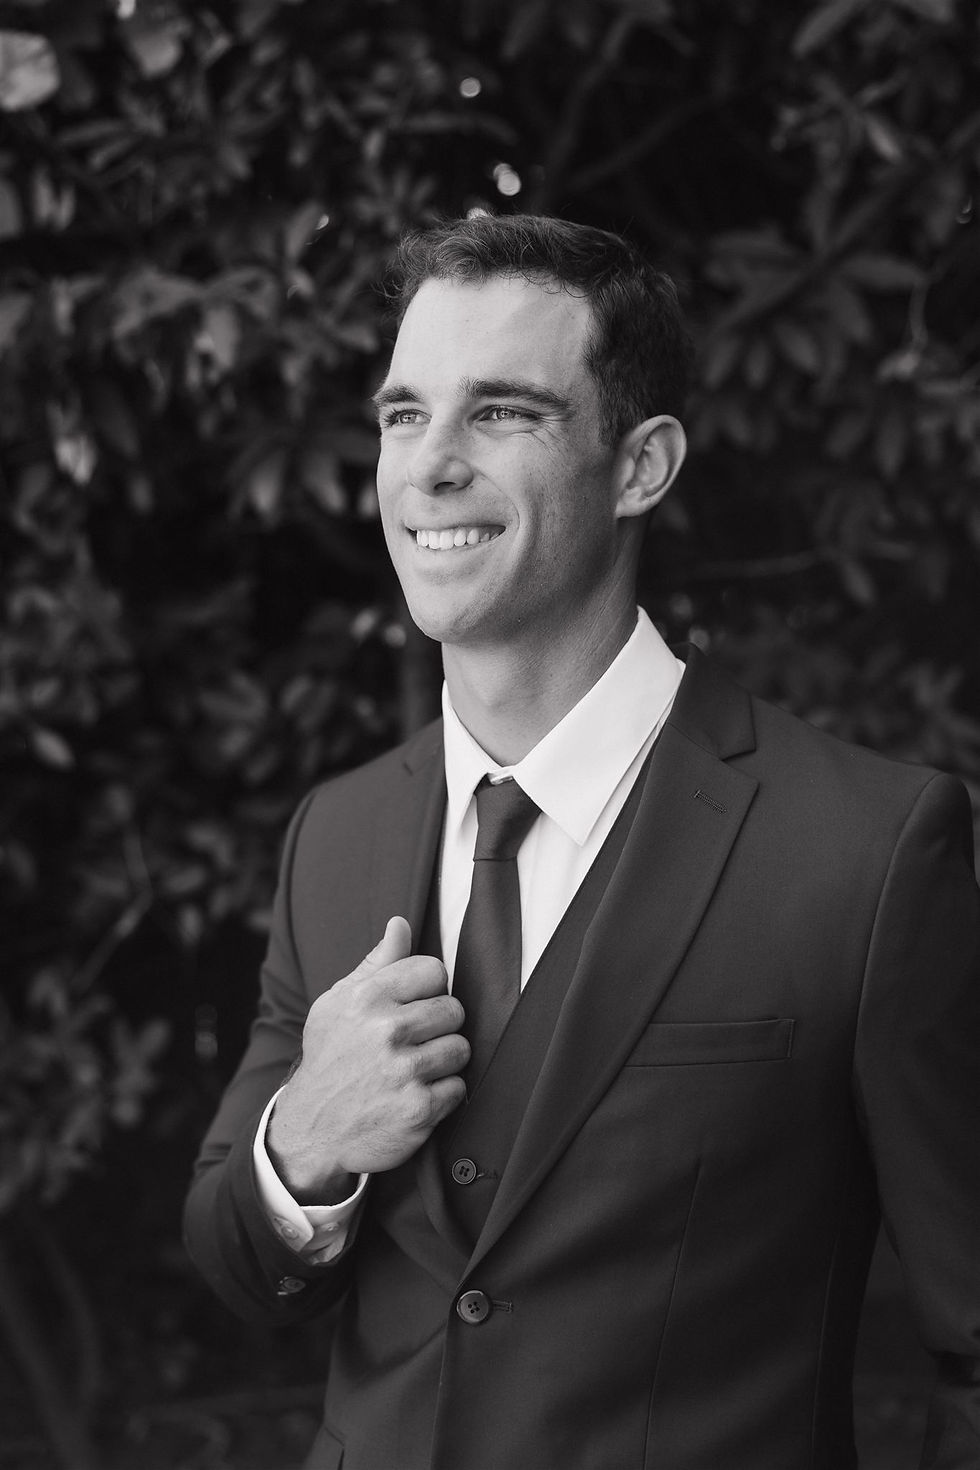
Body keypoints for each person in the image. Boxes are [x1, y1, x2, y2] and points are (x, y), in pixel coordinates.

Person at [183, 214, 980, 1470]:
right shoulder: (335, 834)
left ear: (640, 464)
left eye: (499, 412)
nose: (429, 465)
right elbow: (234, 1263)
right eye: (403, 415)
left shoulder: (867, 854)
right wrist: (303, 1145)